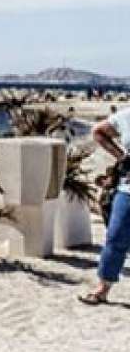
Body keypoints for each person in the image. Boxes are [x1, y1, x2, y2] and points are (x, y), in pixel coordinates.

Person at [79, 109, 130, 305]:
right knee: (115, 237)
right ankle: (102, 289)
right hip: (127, 189)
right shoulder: (126, 116)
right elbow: (98, 131)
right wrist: (121, 156)